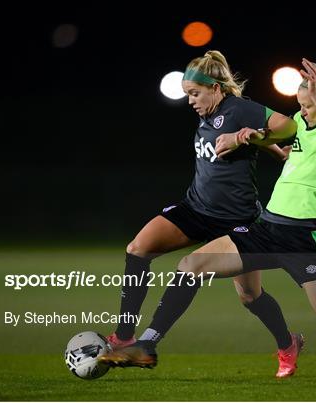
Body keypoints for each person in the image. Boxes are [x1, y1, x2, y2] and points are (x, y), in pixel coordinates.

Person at [100, 55, 316, 383]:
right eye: (300, 106)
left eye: (309, 106)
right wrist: (249, 138)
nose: (303, 114)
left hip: (304, 239)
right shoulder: (304, 119)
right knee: (191, 265)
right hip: (266, 228)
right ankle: (146, 344)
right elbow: (287, 149)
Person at [106, 50, 303, 378]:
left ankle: (288, 343)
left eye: (194, 93)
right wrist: (257, 143)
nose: (190, 101)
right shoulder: (211, 112)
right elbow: (242, 139)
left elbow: (290, 126)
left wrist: (257, 138)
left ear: (216, 87)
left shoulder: (239, 107)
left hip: (238, 222)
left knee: (251, 297)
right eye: (187, 95)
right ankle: (126, 337)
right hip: (197, 208)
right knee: (137, 249)